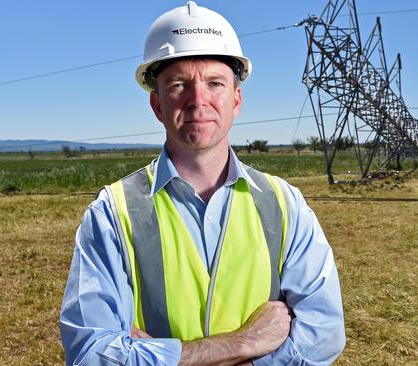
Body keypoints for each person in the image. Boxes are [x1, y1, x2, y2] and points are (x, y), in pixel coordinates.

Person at [59, 2, 345, 365]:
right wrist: (242, 344)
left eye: (215, 83)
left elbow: (324, 335)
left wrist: (159, 356)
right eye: (179, 85)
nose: (198, 100)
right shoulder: (112, 214)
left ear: (236, 99)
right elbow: (90, 354)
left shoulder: (285, 204)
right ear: (157, 104)